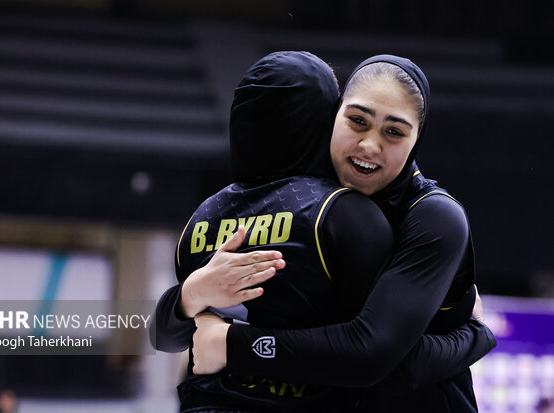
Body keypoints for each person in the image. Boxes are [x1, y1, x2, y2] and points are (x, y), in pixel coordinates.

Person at [153, 52, 495, 412]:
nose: (369, 145)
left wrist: (232, 344)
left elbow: (385, 361)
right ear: (333, 117)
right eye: (357, 121)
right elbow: (163, 332)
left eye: (394, 132)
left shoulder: (434, 216)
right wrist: (191, 293)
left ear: (417, 140)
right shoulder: (313, 201)